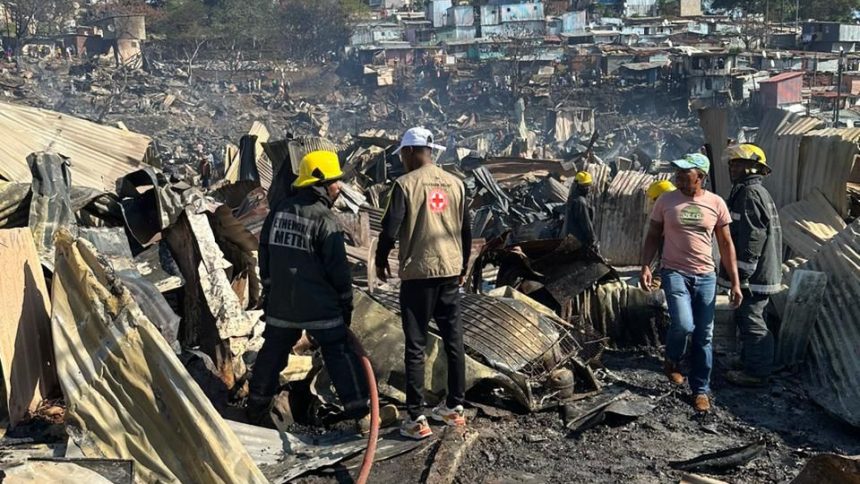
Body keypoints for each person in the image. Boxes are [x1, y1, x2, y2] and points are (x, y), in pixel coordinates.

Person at [248, 150, 391, 429]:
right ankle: (362, 416)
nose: (339, 187)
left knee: (273, 351)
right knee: (338, 352)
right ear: (321, 184)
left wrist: (269, 289)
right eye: (335, 181)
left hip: (281, 304)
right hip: (319, 306)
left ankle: (255, 406)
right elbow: (338, 270)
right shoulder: (325, 219)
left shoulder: (279, 211)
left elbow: (263, 252)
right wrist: (345, 304)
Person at [375, 127, 472, 440]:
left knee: (416, 346)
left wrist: (380, 260)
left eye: (403, 154)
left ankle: (416, 417)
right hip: (449, 273)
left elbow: (390, 228)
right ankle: (455, 408)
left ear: (410, 152)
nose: (402, 159)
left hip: (419, 275)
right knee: (453, 342)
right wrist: (462, 266)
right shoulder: (457, 184)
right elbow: (466, 230)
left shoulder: (405, 185)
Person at [640, 153, 743, 413]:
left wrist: (735, 282)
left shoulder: (716, 203)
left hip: (706, 276)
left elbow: (726, 243)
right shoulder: (665, 200)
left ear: (701, 177)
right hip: (674, 272)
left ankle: (700, 390)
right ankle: (672, 359)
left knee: (704, 336)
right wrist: (645, 266)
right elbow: (653, 234)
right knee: (684, 324)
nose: (678, 178)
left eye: (685, 174)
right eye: (677, 173)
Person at [719, 144, 782, 387]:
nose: (732, 167)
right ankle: (749, 360)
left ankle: (756, 372)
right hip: (759, 272)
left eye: (738, 163)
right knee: (750, 318)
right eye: (732, 163)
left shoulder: (750, 194)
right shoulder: (749, 191)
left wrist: (742, 274)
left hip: (754, 275)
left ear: (753, 167)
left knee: (752, 321)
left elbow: (753, 237)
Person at [564, 171, 597, 250]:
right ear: (582, 187)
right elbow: (586, 224)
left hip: (571, 239)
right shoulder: (580, 202)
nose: (588, 188)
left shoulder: (572, 198)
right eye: (586, 186)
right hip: (579, 242)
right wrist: (593, 240)